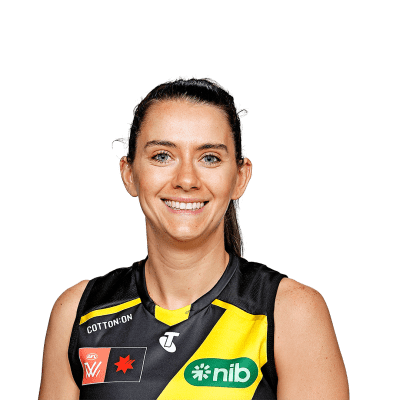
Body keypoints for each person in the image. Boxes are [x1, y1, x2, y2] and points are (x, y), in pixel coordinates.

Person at [38, 76, 349, 399]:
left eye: (209, 157)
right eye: (162, 156)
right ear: (129, 174)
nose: (186, 180)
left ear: (240, 178)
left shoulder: (291, 311)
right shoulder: (78, 311)